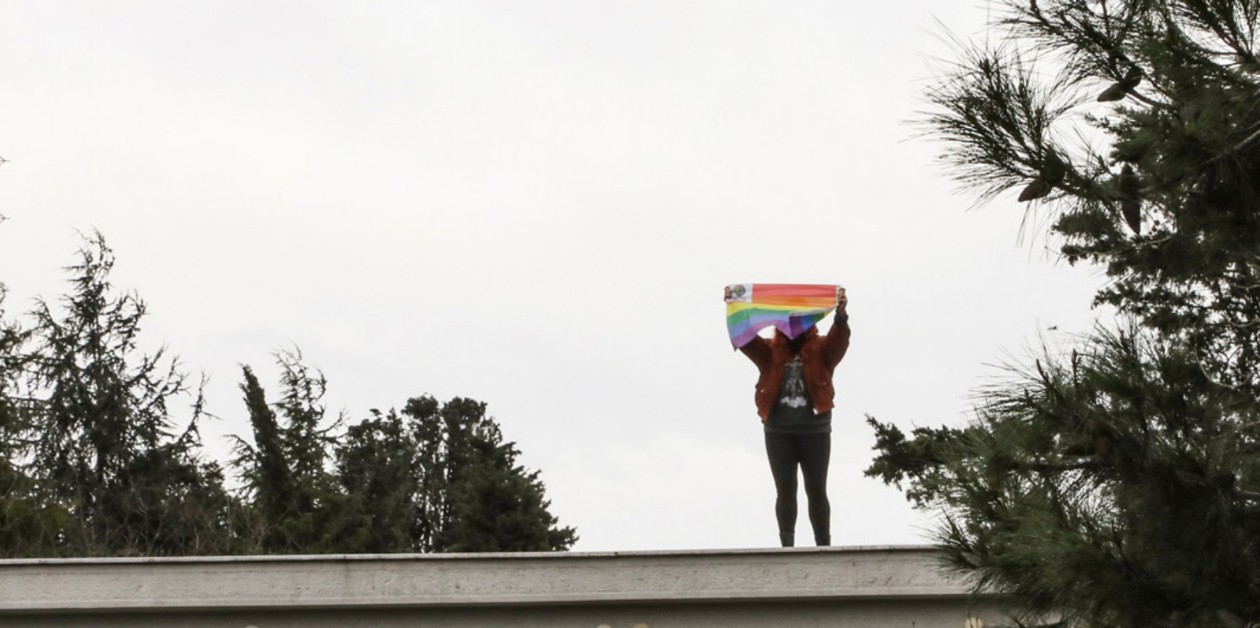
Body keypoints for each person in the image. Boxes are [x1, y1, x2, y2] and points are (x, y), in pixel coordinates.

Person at [737, 289, 850, 547]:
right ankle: (787, 549)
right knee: (785, 490)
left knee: (816, 489)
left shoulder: (822, 350)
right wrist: (736, 305)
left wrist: (841, 316)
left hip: (815, 431)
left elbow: (839, 340)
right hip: (778, 432)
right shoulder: (768, 353)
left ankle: (823, 547)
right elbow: (744, 338)